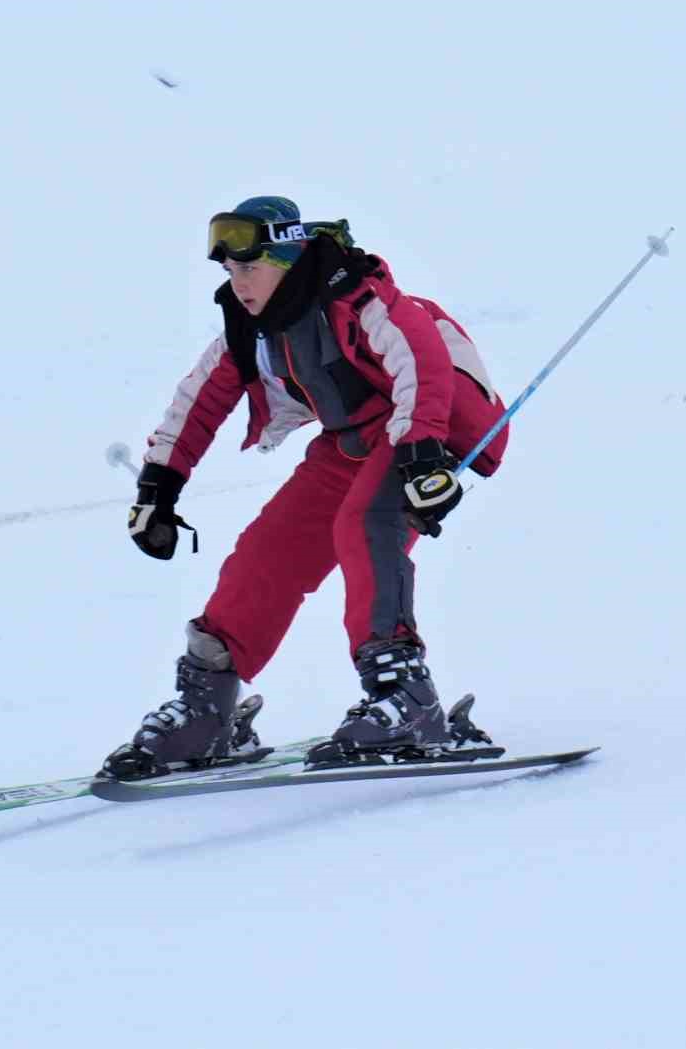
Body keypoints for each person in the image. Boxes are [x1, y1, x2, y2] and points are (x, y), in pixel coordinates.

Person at [102, 196, 511, 779]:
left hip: (431, 429)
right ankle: (206, 708)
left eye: (249, 267)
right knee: (267, 552)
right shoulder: (251, 326)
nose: (238, 283)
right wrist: (158, 488)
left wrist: (421, 456)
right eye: (229, 271)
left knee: (366, 525)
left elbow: (420, 360)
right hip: (352, 441)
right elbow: (201, 400)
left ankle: (407, 699)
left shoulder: (356, 295)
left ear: (288, 256)